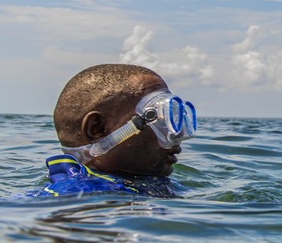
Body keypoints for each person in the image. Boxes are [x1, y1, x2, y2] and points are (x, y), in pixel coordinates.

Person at [38, 64, 197, 197]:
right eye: (158, 119)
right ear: (97, 129)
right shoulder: (80, 199)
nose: (178, 134)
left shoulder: (139, 184)